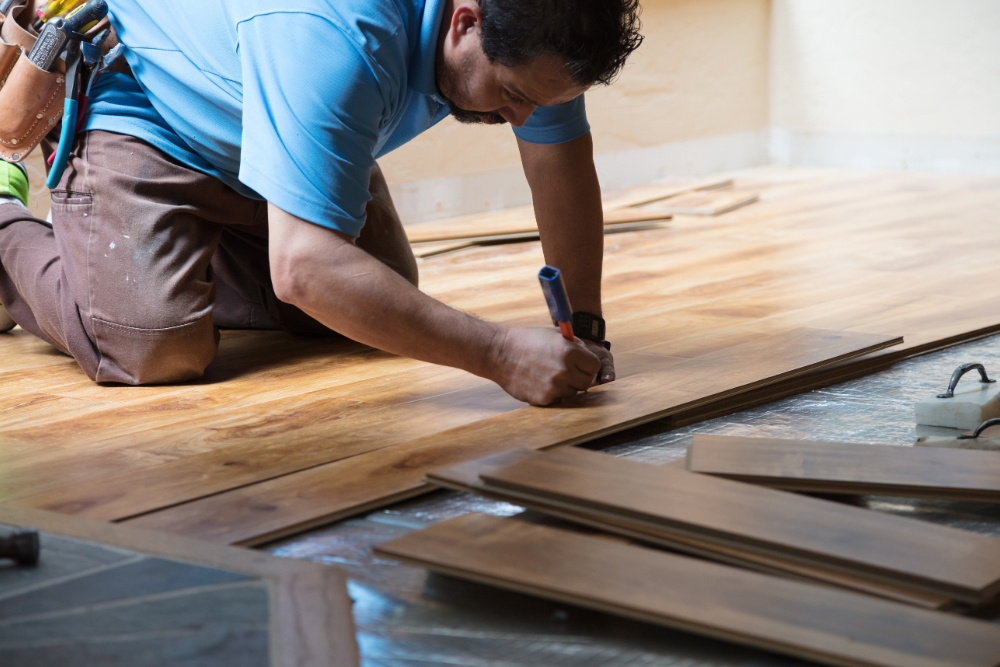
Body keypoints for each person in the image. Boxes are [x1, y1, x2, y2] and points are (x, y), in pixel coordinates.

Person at [0, 0, 642, 406]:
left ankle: (176, 252)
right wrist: (500, 354)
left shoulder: (538, 31)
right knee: (154, 348)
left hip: (269, 122)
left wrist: (585, 325)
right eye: (510, 94)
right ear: (465, 20)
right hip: (152, 107)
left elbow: (559, 161)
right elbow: (306, 269)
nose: (523, 115)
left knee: (363, 303)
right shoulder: (334, 32)